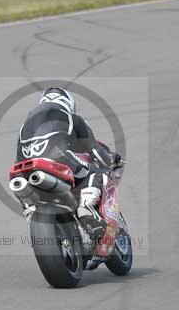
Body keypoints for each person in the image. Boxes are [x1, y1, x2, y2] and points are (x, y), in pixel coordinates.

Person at [16, 87, 121, 238]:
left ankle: (30, 212)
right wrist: (111, 160)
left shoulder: (25, 125)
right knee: (96, 173)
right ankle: (85, 208)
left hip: (25, 168)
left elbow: (19, 153)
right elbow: (95, 150)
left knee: (20, 184)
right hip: (58, 159)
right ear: (68, 103)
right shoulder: (72, 118)